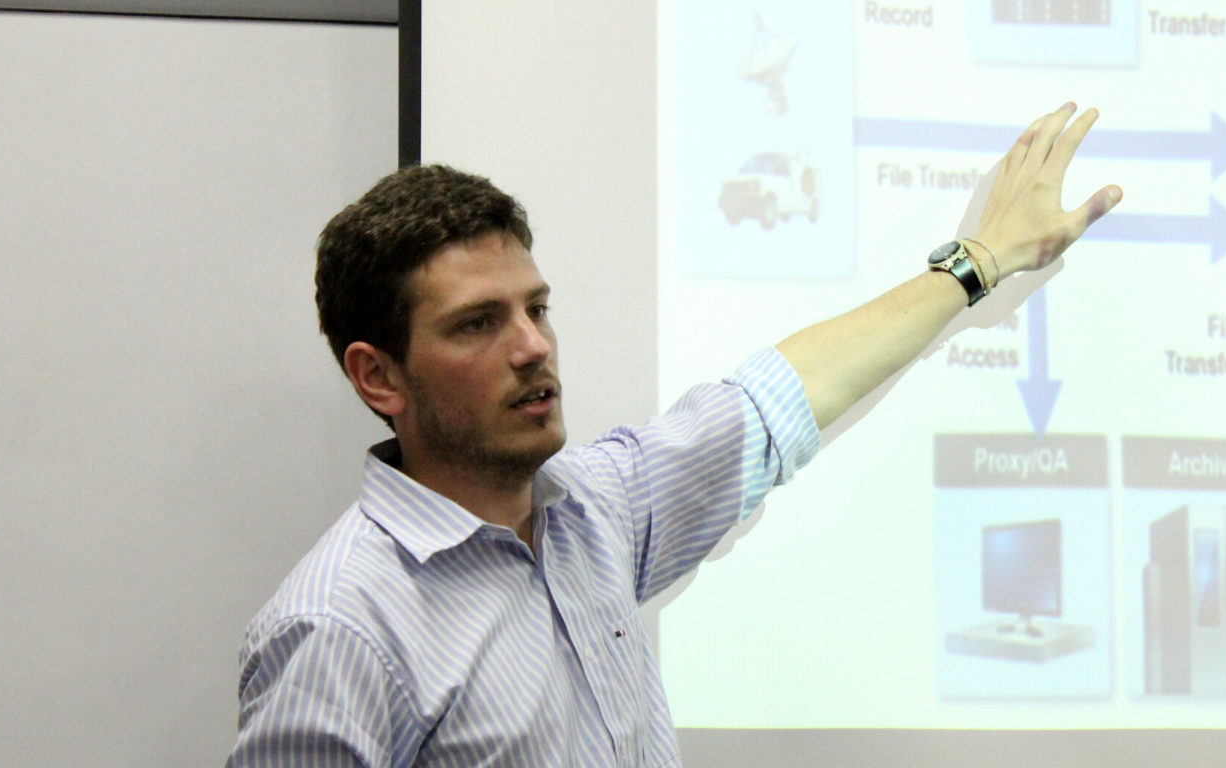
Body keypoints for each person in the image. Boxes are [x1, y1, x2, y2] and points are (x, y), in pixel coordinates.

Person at [226, 104, 1121, 767]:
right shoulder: (339, 626)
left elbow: (779, 398)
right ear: (377, 375)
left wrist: (980, 263)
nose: (534, 345)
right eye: (477, 324)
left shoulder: (594, 514)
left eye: (536, 308)